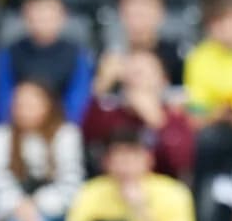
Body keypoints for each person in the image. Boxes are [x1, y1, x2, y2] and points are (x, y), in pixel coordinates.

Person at [0, 80, 83, 221]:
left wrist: (36, 205)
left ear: (48, 105)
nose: (23, 110)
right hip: (10, 213)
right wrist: (19, 206)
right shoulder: (0, 136)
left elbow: (70, 182)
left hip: (56, 212)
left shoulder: (66, 134)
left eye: (31, 104)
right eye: (19, 103)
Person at [65, 126, 196, 221]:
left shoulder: (174, 192)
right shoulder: (90, 192)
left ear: (149, 159)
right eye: (118, 159)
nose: (125, 166)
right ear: (106, 162)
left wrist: (140, 209)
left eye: (132, 158)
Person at [81, 49, 195, 180]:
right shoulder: (111, 114)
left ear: (163, 80)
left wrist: (157, 120)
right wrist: (102, 83)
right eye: (132, 72)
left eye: (143, 72)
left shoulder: (175, 116)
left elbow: (180, 163)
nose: (136, 79)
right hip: (113, 187)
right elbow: (86, 135)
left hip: (161, 189)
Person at [0, 0, 94, 125]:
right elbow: (3, 99)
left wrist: (56, 128)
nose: (43, 22)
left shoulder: (76, 55)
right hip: (16, 128)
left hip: (60, 129)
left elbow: (78, 102)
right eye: (38, 15)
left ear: (62, 17)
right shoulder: (10, 53)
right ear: (26, 17)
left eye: (49, 16)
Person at [95, 0, 184, 95]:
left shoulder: (176, 57)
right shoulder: (108, 55)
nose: (137, 22)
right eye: (131, 14)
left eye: (143, 14)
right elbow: (87, 104)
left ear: (160, 14)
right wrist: (105, 80)